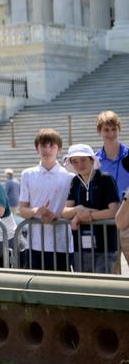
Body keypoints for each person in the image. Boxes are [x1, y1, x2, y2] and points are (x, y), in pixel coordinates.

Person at [17, 129, 75, 272]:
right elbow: (22, 210)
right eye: (43, 145)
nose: (47, 149)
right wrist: (37, 211)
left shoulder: (69, 177)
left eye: (51, 145)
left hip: (61, 242)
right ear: (37, 148)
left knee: (60, 285)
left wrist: (56, 215)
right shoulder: (28, 174)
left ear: (59, 149)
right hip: (35, 243)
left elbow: (71, 208)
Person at [62, 143, 121, 274]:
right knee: (84, 286)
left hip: (106, 246)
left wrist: (85, 216)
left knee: (103, 287)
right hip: (81, 247)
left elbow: (114, 211)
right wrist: (78, 209)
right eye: (75, 161)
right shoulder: (75, 182)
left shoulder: (106, 179)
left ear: (92, 160)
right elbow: (65, 212)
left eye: (83, 159)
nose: (79, 164)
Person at [95, 111, 129, 200]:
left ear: (119, 130)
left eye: (114, 129)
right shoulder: (94, 161)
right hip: (105, 212)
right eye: (106, 130)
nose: (111, 133)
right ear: (99, 131)